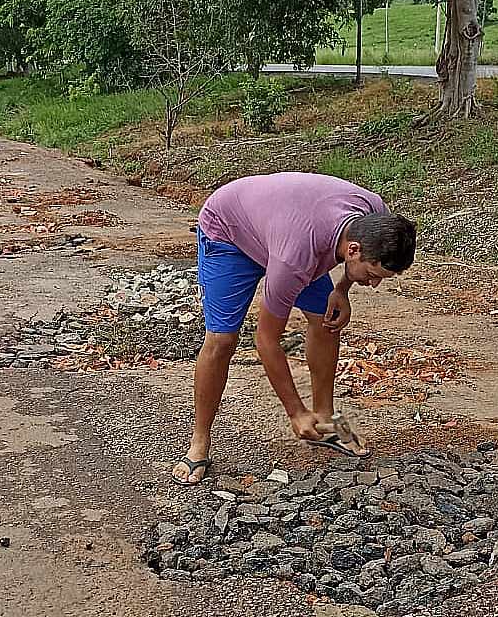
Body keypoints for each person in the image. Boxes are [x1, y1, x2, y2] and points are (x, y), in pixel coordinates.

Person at [172, 172, 417, 485]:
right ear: (353, 250)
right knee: (222, 339)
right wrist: (295, 412)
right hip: (229, 231)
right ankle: (200, 442)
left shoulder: (376, 215)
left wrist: (341, 289)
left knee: (327, 321)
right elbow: (266, 339)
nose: (374, 284)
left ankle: (327, 422)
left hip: (282, 227)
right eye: (372, 274)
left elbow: (351, 270)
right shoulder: (295, 260)